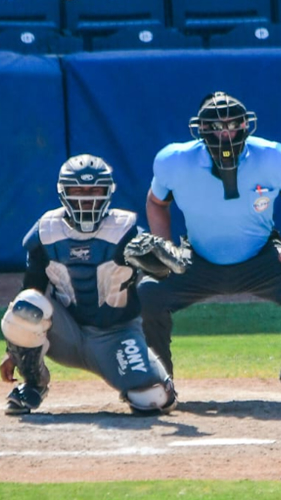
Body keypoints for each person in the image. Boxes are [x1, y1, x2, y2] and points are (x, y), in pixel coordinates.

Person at [137, 91, 281, 403]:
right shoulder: (174, 160)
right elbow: (156, 202)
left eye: (233, 123)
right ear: (200, 129)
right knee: (147, 292)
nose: (226, 132)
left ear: (245, 124)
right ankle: (156, 384)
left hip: (260, 256)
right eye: (216, 125)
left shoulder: (274, 156)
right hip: (197, 259)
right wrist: (164, 248)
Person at [0, 154, 177, 415]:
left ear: (108, 192)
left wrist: (160, 263)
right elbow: (31, 288)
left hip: (116, 336)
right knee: (28, 304)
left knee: (153, 398)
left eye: (94, 189)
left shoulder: (126, 231)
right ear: (63, 192)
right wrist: (14, 352)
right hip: (66, 334)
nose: (86, 197)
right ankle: (34, 384)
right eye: (77, 189)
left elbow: (161, 273)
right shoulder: (46, 231)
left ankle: (154, 379)